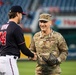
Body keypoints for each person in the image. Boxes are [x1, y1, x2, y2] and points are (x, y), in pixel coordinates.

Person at [0, 5, 36, 75]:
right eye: (21, 14)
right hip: (9, 61)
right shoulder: (16, 28)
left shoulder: (3, 26)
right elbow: (23, 49)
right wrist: (33, 55)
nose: (21, 17)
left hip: (1, 59)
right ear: (17, 14)